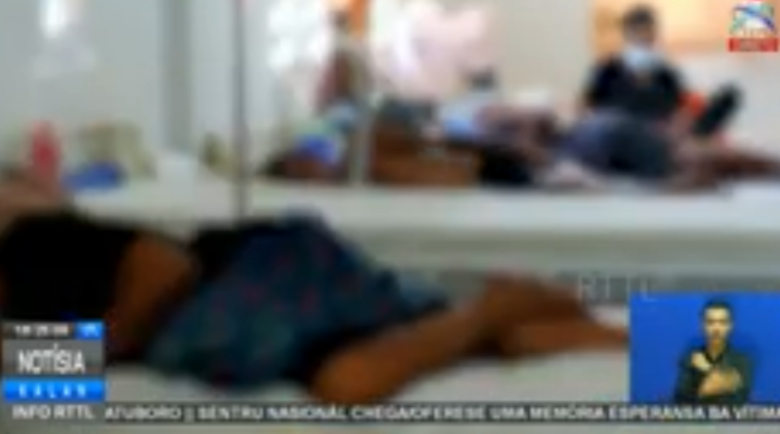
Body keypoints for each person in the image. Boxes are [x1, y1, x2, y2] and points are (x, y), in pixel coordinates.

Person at [0, 170, 625, 403]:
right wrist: (61, 367)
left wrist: (107, 344)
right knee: (460, 337)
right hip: (234, 310)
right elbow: (44, 372)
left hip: (248, 282)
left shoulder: (35, 241)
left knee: (346, 382)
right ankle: (660, 343)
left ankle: (489, 308)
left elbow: (165, 266)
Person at [673, 300, 753, 404]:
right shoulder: (690, 358)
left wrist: (706, 368)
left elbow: (740, 399)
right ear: (702, 325)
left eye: (723, 322)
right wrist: (724, 385)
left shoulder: (743, 361)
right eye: (710, 322)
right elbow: (681, 400)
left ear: (731, 326)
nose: (716, 329)